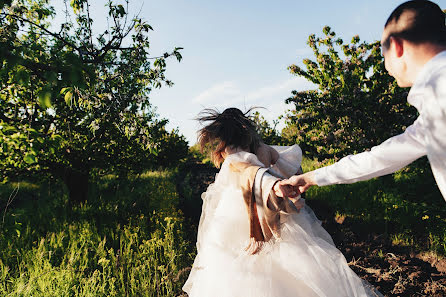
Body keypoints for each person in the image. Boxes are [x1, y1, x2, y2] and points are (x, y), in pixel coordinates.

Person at [183, 107, 382, 297]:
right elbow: (293, 169)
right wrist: (287, 183)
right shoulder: (265, 149)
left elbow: (245, 174)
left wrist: (274, 183)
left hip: (237, 209)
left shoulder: (230, 151)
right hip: (268, 206)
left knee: (234, 263)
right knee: (289, 257)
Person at [280, 0, 446, 199]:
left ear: (396, 46)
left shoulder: (439, 92)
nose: (386, 67)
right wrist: (311, 177)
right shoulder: (433, 106)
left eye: (384, 55)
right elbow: (383, 157)